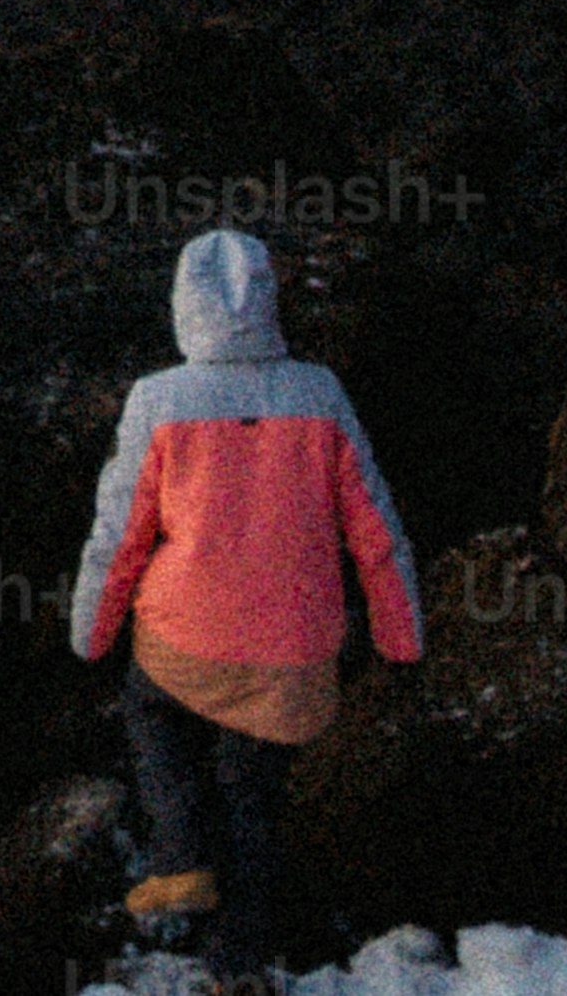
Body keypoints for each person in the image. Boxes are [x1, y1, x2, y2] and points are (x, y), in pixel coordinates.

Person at [70, 223, 422, 987]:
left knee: (149, 708)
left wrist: (93, 633)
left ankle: (182, 854)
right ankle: (239, 967)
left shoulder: (158, 400)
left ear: (183, 308)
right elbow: (376, 530)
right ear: (269, 304)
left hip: (182, 643)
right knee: (253, 799)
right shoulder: (320, 394)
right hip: (293, 657)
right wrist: (400, 637)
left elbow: (118, 534)